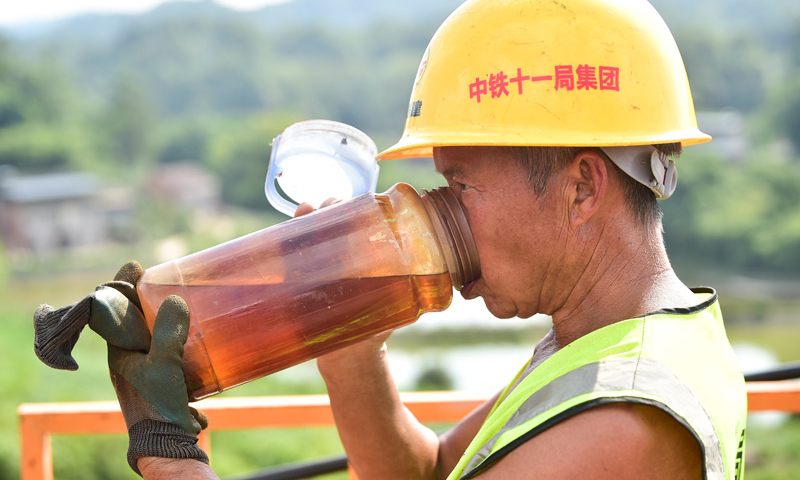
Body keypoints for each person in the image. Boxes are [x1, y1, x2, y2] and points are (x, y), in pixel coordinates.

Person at [34, 0, 747, 478]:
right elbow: (429, 472)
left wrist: (167, 452)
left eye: (461, 186)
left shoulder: (621, 421)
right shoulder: (605, 342)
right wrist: (350, 349)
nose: (437, 213)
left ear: (583, 188)